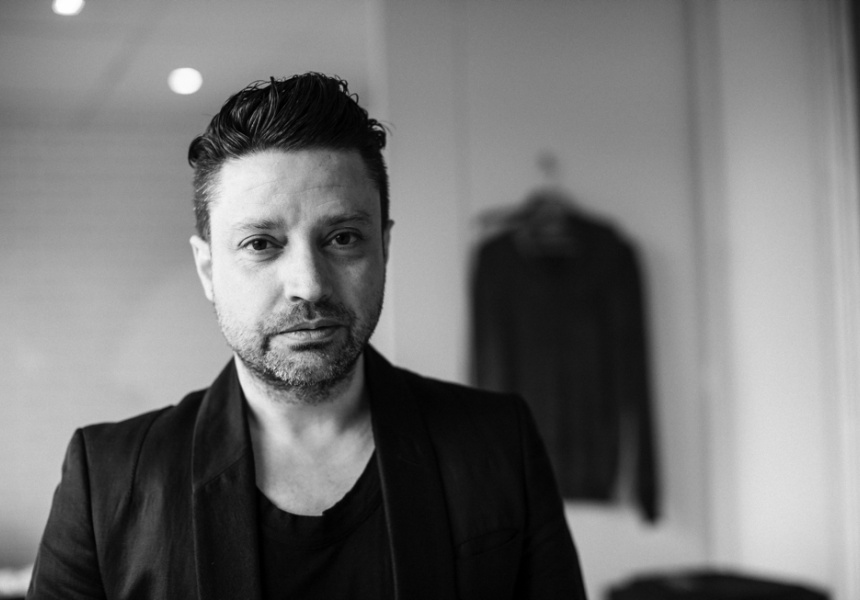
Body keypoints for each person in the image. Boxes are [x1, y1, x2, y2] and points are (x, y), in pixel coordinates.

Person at [27, 73, 587, 599]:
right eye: (260, 244)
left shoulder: (498, 444)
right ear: (207, 269)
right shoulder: (107, 479)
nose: (309, 285)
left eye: (343, 237)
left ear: (384, 247)